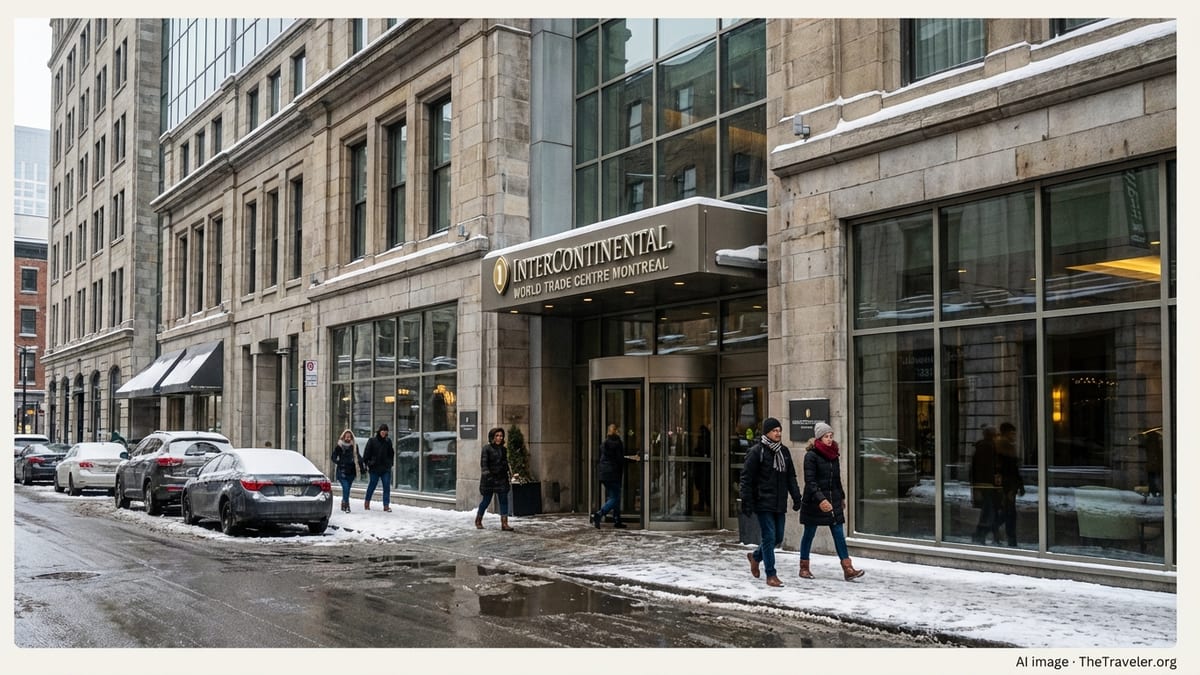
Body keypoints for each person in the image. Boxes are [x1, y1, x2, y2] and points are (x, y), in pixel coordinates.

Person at [739, 417, 802, 588]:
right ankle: (771, 574)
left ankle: (755, 557)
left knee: (778, 537)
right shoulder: (757, 451)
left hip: (779, 502)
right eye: (775, 431)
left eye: (779, 430)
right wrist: (746, 501)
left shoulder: (784, 452)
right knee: (769, 536)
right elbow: (746, 478)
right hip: (763, 501)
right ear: (767, 432)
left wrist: (797, 497)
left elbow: (791, 477)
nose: (778, 433)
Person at [798, 422, 865, 580]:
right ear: (819, 438)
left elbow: (836, 479)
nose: (829, 439)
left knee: (838, 534)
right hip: (815, 501)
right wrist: (821, 499)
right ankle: (804, 568)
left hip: (833, 499)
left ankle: (848, 568)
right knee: (809, 533)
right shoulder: (811, 456)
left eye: (830, 436)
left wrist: (841, 496)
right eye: (826, 437)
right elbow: (810, 481)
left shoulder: (833, 454)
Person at [591, 423, 636, 529]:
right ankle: (599, 514)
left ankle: (617, 520)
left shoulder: (605, 443)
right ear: (616, 431)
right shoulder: (617, 443)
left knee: (615, 497)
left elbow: (605, 458)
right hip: (613, 474)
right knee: (614, 497)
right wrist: (632, 459)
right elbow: (619, 459)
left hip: (604, 474)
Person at [476, 427, 514, 531]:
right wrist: (488, 476)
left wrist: (509, 471)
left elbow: (505, 462)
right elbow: (484, 464)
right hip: (490, 479)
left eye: (501, 436)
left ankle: (504, 523)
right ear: (492, 437)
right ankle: (478, 520)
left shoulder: (503, 449)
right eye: (497, 436)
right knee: (486, 501)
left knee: (503, 500)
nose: (499, 438)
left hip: (501, 478)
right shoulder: (486, 449)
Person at [970, 425, 1002, 545]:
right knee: (989, 511)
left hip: (987, 484)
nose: (996, 437)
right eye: (995, 435)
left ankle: (992, 535)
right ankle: (981, 534)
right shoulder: (987, 447)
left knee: (990, 510)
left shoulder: (986, 446)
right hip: (987, 484)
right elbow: (986, 468)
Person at [994, 422, 1025, 547]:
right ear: (1005, 433)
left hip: (1010, 485)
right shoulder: (1004, 447)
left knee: (1008, 513)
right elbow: (1009, 470)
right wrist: (1014, 487)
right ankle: (1010, 539)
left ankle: (995, 529)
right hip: (1008, 486)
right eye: (1012, 433)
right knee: (1009, 513)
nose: (1014, 436)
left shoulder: (1006, 446)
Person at [362, 423, 395, 512]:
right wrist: (368, 463)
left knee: (386, 486)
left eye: (385, 431)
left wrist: (390, 463)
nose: (384, 432)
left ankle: (386, 505)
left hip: (385, 468)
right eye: (382, 430)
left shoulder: (388, 441)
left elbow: (391, 454)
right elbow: (366, 453)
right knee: (372, 485)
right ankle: (367, 502)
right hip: (374, 468)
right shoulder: (372, 441)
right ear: (379, 431)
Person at [331, 428, 359, 513]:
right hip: (342, 471)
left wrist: (362, 466)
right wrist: (339, 462)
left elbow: (357, 456)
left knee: (347, 489)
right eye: (346, 437)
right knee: (346, 488)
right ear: (343, 437)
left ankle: (344, 502)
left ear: (351, 438)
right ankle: (347, 505)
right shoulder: (339, 446)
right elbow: (333, 457)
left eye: (349, 437)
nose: (348, 438)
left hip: (351, 471)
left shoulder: (354, 446)